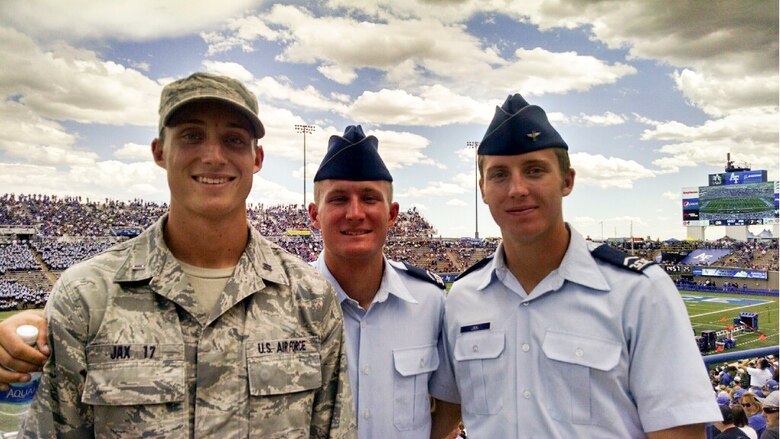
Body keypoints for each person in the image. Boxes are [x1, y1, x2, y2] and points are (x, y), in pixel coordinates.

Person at [8, 72, 356, 438]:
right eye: (192, 135)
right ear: (160, 151)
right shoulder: (86, 297)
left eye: (234, 140)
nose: (213, 156)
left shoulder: (309, 297)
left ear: (257, 158)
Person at [440, 93, 722, 438]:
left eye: (535, 170)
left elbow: (679, 432)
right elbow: (447, 414)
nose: (517, 189)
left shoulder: (639, 291)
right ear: (483, 188)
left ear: (567, 181)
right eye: (499, 175)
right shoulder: (463, 297)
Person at [307, 125, 460, 438]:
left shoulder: (430, 302)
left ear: (392, 214)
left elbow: (448, 407)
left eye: (369, 198)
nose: (355, 213)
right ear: (313, 215)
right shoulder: (286, 302)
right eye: (338, 199)